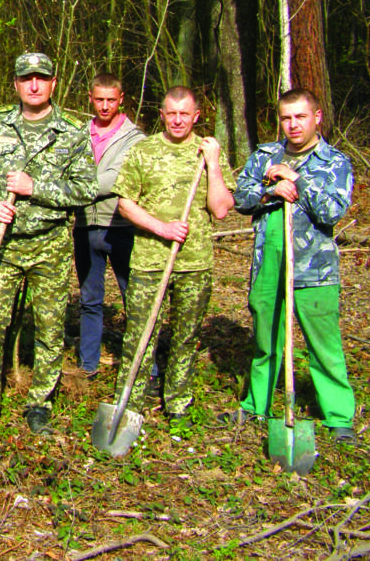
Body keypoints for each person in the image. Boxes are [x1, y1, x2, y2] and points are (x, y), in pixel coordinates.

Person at [0, 52, 97, 435]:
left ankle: (39, 403)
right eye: (26, 78)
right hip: (4, 246)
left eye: (41, 78)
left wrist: (35, 187)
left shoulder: (72, 131)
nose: (34, 85)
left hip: (50, 244)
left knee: (50, 330)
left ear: (54, 83)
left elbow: (86, 189)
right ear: (16, 84)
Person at [225, 88, 357, 444]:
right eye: (286, 118)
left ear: (317, 117)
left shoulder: (334, 162)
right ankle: (258, 405)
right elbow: (241, 199)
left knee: (324, 344)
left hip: (315, 269)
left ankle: (339, 416)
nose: (293, 124)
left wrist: (297, 180)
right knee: (266, 340)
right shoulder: (265, 155)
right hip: (269, 261)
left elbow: (332, 211)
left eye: (301, 117)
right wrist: (271, 191)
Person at [112, 86, 234, 421]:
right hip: (149, 261)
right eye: (172, 113)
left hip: (194, 263)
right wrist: (161, 228)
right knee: (139, 336)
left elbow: (221, 209)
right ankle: (129, 405)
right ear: (162, 115)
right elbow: (125, 204)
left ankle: (178, 403)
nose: (178, 120)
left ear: (196, 116)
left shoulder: (208, 152)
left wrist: (213, 164)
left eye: (185, 114)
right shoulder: (143, 150)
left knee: (185, 337)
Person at [73, 73, 145, 377]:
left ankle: (144, 366)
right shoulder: (78, 134)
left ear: (121, 99)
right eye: (99, 99)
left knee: (134, 298)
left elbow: (115, 179)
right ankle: (87, 364)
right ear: (90, 98)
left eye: (111, 100)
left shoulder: (135, 138)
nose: (105, 106)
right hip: (84, 227)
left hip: (121, 226)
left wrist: (72, 186)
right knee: (90, 299)